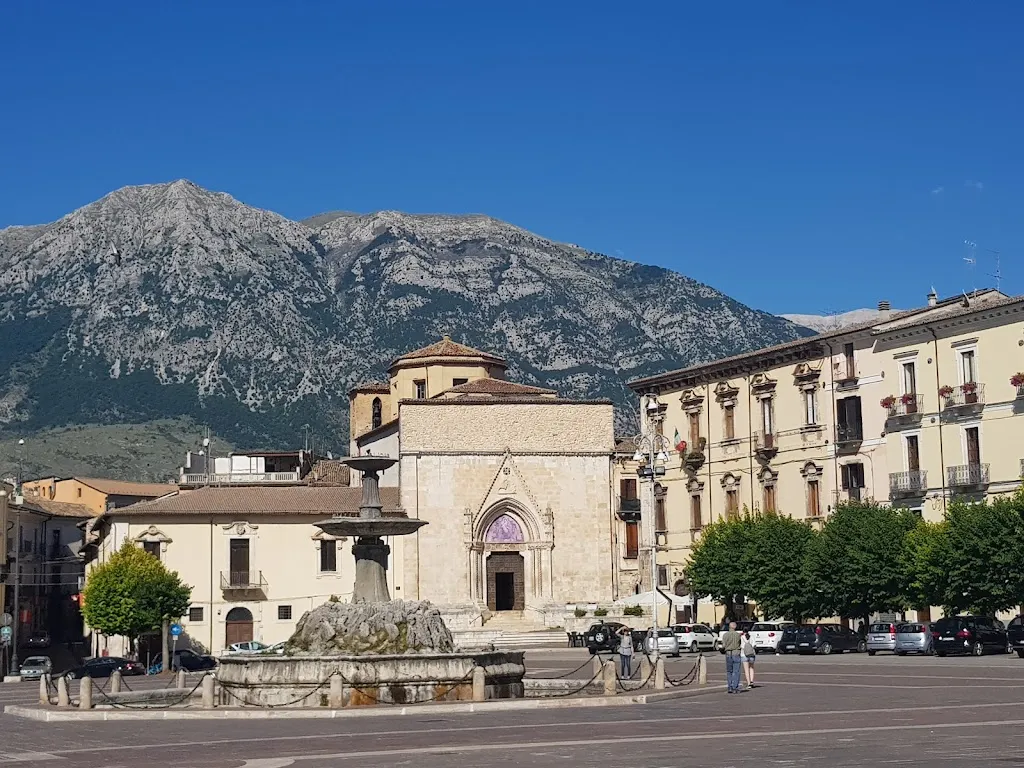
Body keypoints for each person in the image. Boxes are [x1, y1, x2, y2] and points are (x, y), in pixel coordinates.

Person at [721, 620, 743, 693]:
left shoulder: (725, 635)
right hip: (736, 653)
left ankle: (730, 687)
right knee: (736, 671)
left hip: (728, 653)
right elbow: (739, 643)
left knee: (729, 671)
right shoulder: (737, 635)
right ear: (735, 627)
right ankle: (735, 687)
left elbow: (723, 645)